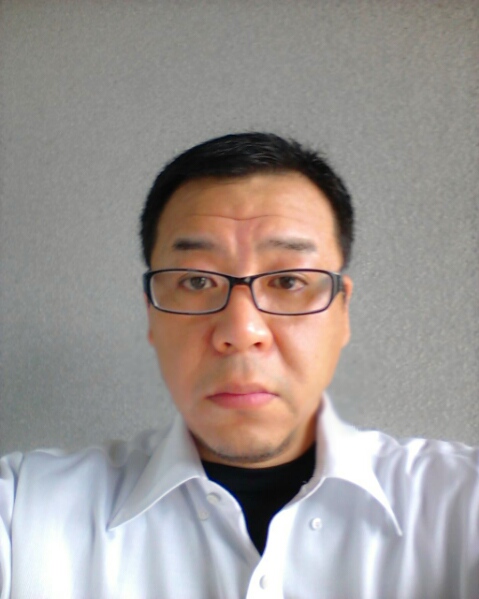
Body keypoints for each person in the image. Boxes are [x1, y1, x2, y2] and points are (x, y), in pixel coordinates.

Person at [0, 132, 477, 599]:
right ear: (151, 313)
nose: (242, 330)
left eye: (288, 281)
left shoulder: (462, 503)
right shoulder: (23, 512)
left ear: (342, 311)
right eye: (196, 281)